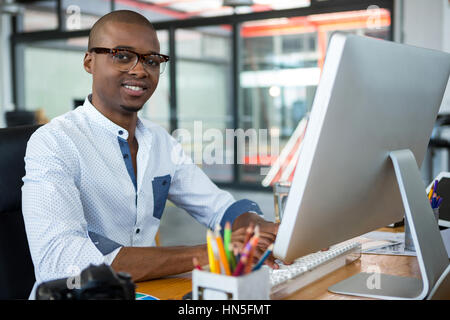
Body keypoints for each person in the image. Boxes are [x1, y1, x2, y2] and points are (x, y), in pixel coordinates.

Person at [21, 10, 279, 298]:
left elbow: (220, 209)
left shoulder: (160, 142)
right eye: (122, 56)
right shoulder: (54, 141)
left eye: (152, 60)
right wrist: (212, 252)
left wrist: (264, 230)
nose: (140, 70)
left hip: (146, 292)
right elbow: (61, 261)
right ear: (89, 61)